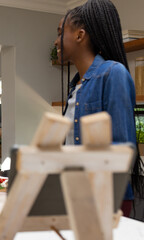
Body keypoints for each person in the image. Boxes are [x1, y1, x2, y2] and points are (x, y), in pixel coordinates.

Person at [54, 0, 143, 217]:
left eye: (59, 33)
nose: (56, 41)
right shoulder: (76, 85)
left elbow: (123, 150)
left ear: (79, 35)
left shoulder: (113, 73)